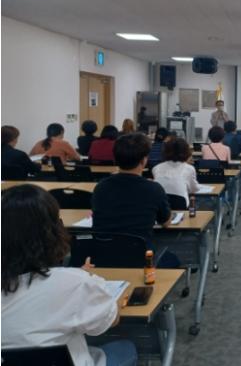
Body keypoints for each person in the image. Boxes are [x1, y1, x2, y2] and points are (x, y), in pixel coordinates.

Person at [1, 184, 137, 366]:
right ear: (53, 231)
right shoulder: (75, 283)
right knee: (126, 348)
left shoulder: (72, 281)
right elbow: (110, 320)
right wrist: (85, 280)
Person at [91, 134, 176, 267]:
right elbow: (166, 222)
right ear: (144, 160)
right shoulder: (153, 189)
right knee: (173, 259)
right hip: (141, 258)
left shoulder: (101, 187)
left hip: (103, 257)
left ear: (116, 159)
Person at [152, 137, 205, 206]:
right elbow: (194, 189)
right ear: (186, 152)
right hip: (181, 207)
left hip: (160, 207)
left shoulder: (156, 168)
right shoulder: (189, 168)